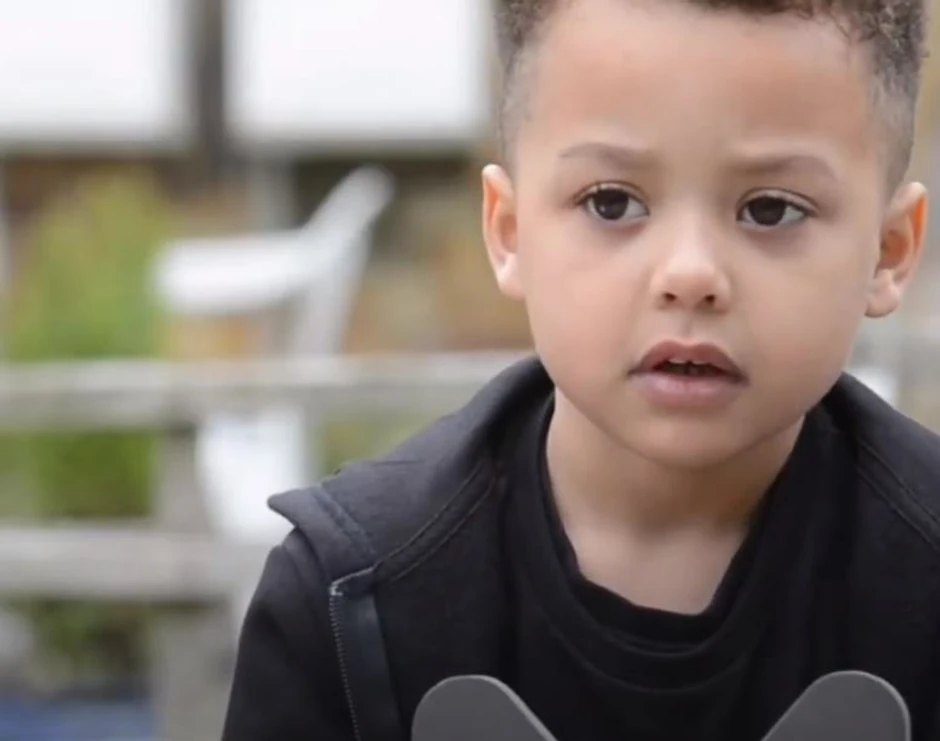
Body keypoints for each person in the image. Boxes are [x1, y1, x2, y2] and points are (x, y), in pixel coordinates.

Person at [221, 0, 940, 739]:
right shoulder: (349, 606)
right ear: (509, 231)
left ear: (888, 252)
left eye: (771, 211)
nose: (690, 273)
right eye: (613, 202)